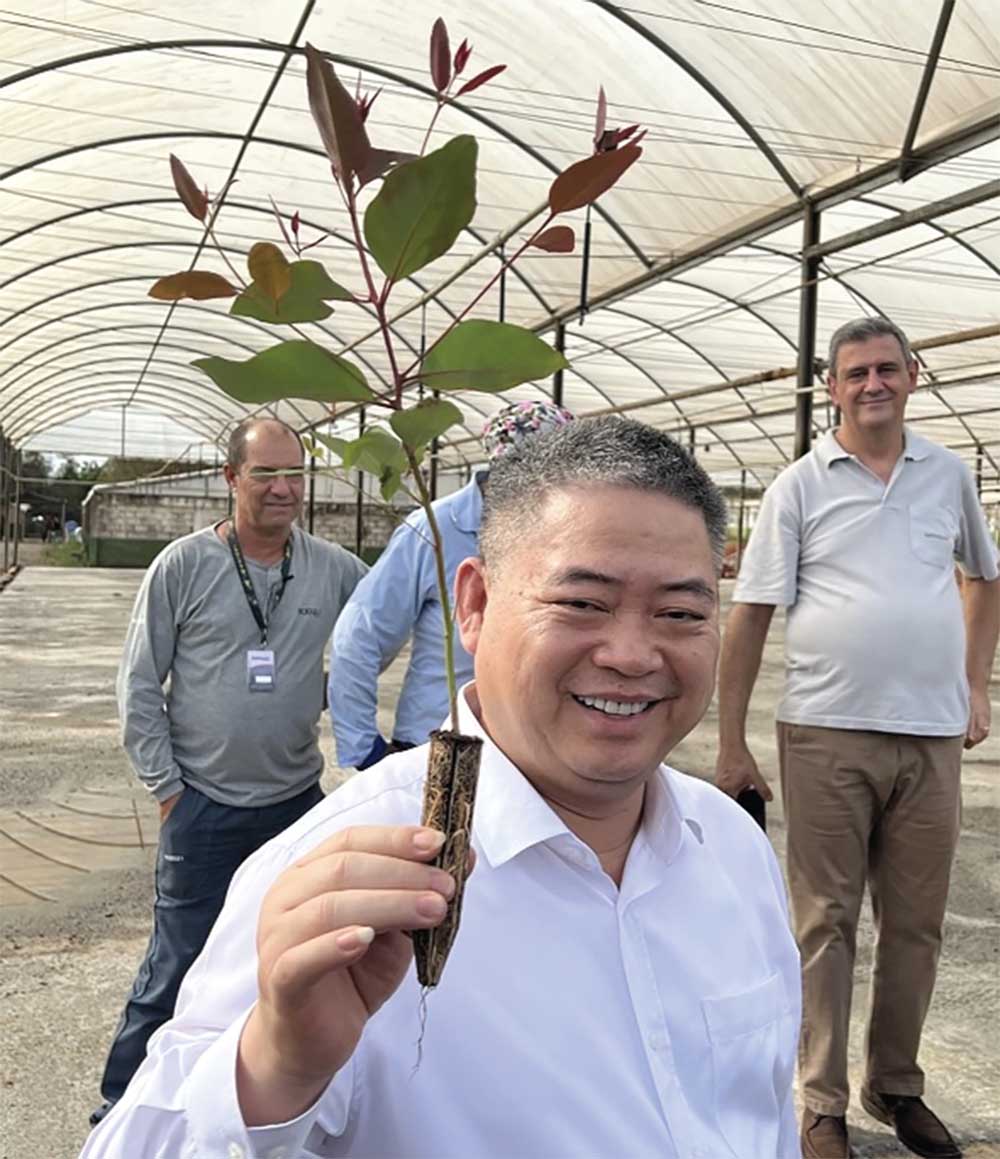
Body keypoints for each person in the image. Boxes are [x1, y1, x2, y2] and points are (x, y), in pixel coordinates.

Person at [82, 417, 801, 1159]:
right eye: (582, 603)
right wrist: (275, 1066)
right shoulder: (351, 888)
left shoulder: (733, 852)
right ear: (476, 605)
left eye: (681, 613)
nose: (629, 654)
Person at [715, 317, 1000, 1159]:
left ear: (914, 375)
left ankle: (897, 1085)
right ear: (831, 389)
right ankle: (822, 1101)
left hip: (931, 736)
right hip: (825, 730)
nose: (873, 383)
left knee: (916, 922)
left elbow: (984, 578)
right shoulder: (800, 486)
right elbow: (752, 614)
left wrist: (974, 687)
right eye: (854, 373)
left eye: (886, 368)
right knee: (825, 921)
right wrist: (730, 742)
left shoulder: (946, 475)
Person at [89, 416, 368, 1126]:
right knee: (176, 961)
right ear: (230, 478)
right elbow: (140, 683)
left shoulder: (332, 568)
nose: (284, 488)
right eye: (266, 473)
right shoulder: (183, 565)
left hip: (297, 802)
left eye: (296, 474)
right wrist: (168, 788)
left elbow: (388, 618)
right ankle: (123, 1108)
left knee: (284, 962)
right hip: (204, 803)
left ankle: (254, 1100)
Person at [329, 399, 574, 770]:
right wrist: (365, 750)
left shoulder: (562, 534)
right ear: (499, 464)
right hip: (440, 748)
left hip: (533, 755)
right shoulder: (436, 529)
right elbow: (360, 634)